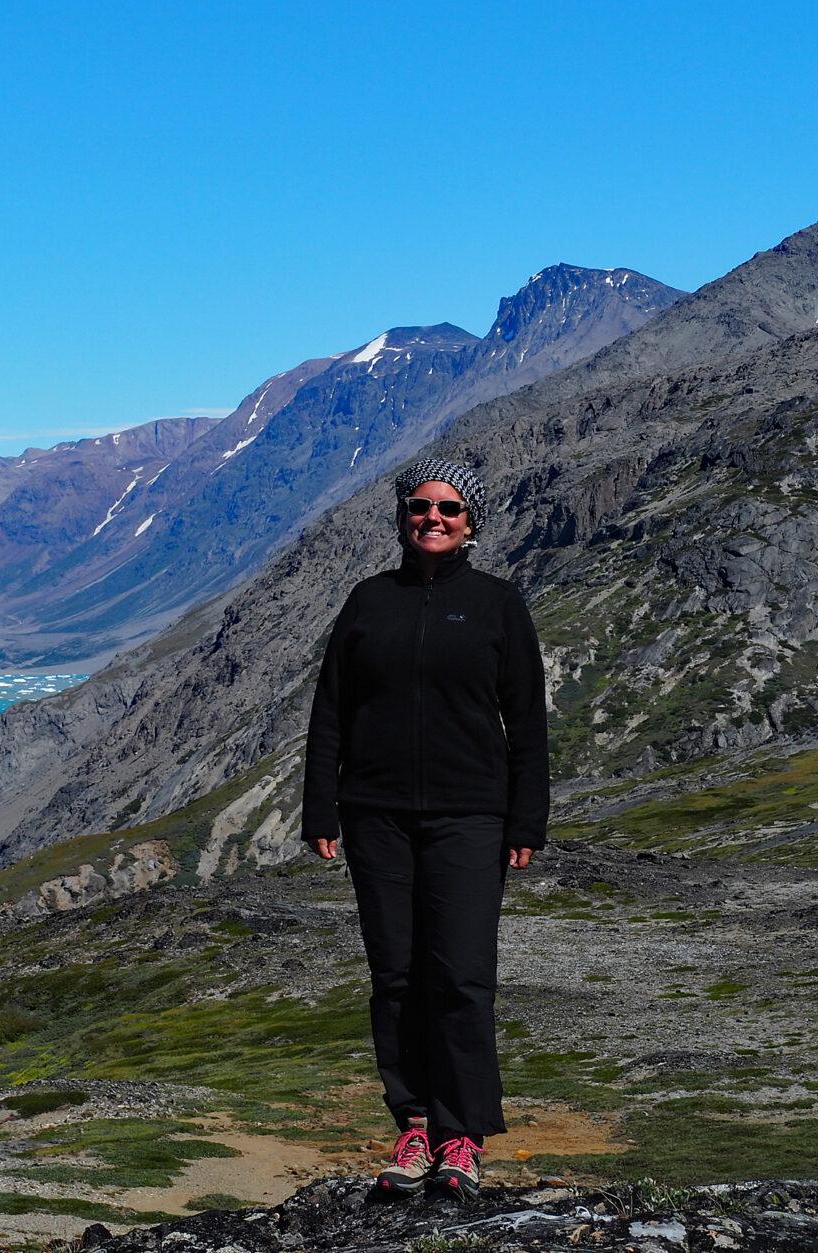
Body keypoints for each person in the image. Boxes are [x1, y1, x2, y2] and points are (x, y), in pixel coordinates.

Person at [301, 455, 549, 1202]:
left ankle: (463, 1136)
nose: (431, 518)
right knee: (398, 976)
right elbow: (331, 713)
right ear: (402, 517)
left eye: (448, 508)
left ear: (472, 523)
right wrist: (321, 808)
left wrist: (526, 816)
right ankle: (413, 1125)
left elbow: (528, 722)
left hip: (470, 816)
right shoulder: (367, 601)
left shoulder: (499, 605)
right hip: (376, 816)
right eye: (419, 507)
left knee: (462, 976)